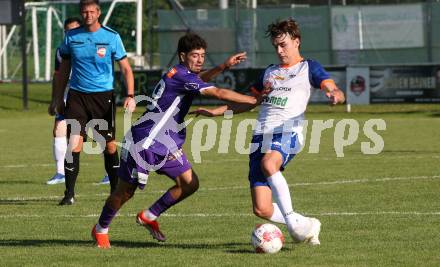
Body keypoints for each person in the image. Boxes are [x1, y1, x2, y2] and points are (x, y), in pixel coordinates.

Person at [91, 32, 257, 249]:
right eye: (195, 55)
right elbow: (217, 92)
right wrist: (254, 100)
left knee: (190, 183)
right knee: (125, 192)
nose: (199, 59)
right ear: (182, 56)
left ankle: (149, 215)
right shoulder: (181, 76)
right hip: (145, 142)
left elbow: (200, 80)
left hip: (166, 142)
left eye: (202, 55)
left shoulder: (183, 74)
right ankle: (101, 229)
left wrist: (223, 66)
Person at [191, 18, 345, 246]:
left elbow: (331, 86)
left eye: (284, 45)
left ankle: (292, 222)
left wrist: (335, 95)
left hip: (288, 132)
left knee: (268, 164)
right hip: (260, 138)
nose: (280, 50)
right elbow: (250, 102)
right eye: (276, 46)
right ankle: (308, 225)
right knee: (261, 209)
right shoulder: (269, 73)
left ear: (297, 41)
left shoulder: (308, 67)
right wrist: (216, 112)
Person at [53, 0, 136, 205]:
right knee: (75, 143)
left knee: (108, 146)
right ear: (81, 13)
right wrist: (57, 99)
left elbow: (126, 68)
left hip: (103, 98)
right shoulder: (71, 37)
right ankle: (69, 194)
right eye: (84, 12)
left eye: (91, 11)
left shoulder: (111, 36)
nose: (88, 15)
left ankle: (115, 191)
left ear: (98, 12)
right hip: (77, 97)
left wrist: (130, 94)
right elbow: (63, 70)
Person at [47, 17, 110, 186]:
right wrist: (55, 99)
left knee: (100, 131)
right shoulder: (62, 50)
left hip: (93, 94)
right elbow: (58, 75)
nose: (70, 33)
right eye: (67, 30)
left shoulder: (93, 45)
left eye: (73, 29)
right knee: (59, 129)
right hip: (70, 94)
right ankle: (60, 173)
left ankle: (109, 173)